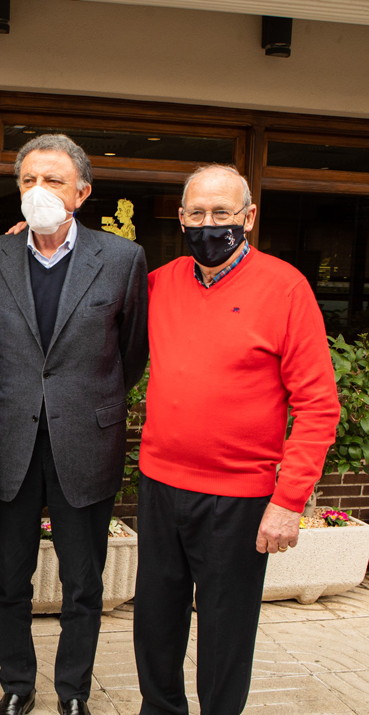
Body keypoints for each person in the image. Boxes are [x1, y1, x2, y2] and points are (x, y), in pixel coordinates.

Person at [133, 164, 341, 715]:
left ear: (248, 217)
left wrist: (289, 501)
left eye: (222, 213)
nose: (209, 224)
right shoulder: (160, 282)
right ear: (181, 219)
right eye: (197, 213)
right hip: (159, 485)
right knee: (154, 621)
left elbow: (318, 404)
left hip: (239, 498)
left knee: (225, 633)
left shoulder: (286, 287)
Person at [0, 134, 148, 715]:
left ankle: (73, 692)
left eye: (54, 180)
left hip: (86, 442)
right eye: (28, 180)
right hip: (9, 441)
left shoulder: (121, 259)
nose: (38, 190)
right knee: (8, 580)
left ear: (82, 193)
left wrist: (90, 399)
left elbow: (131, 353)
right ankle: (17, 685)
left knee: (83, 583)